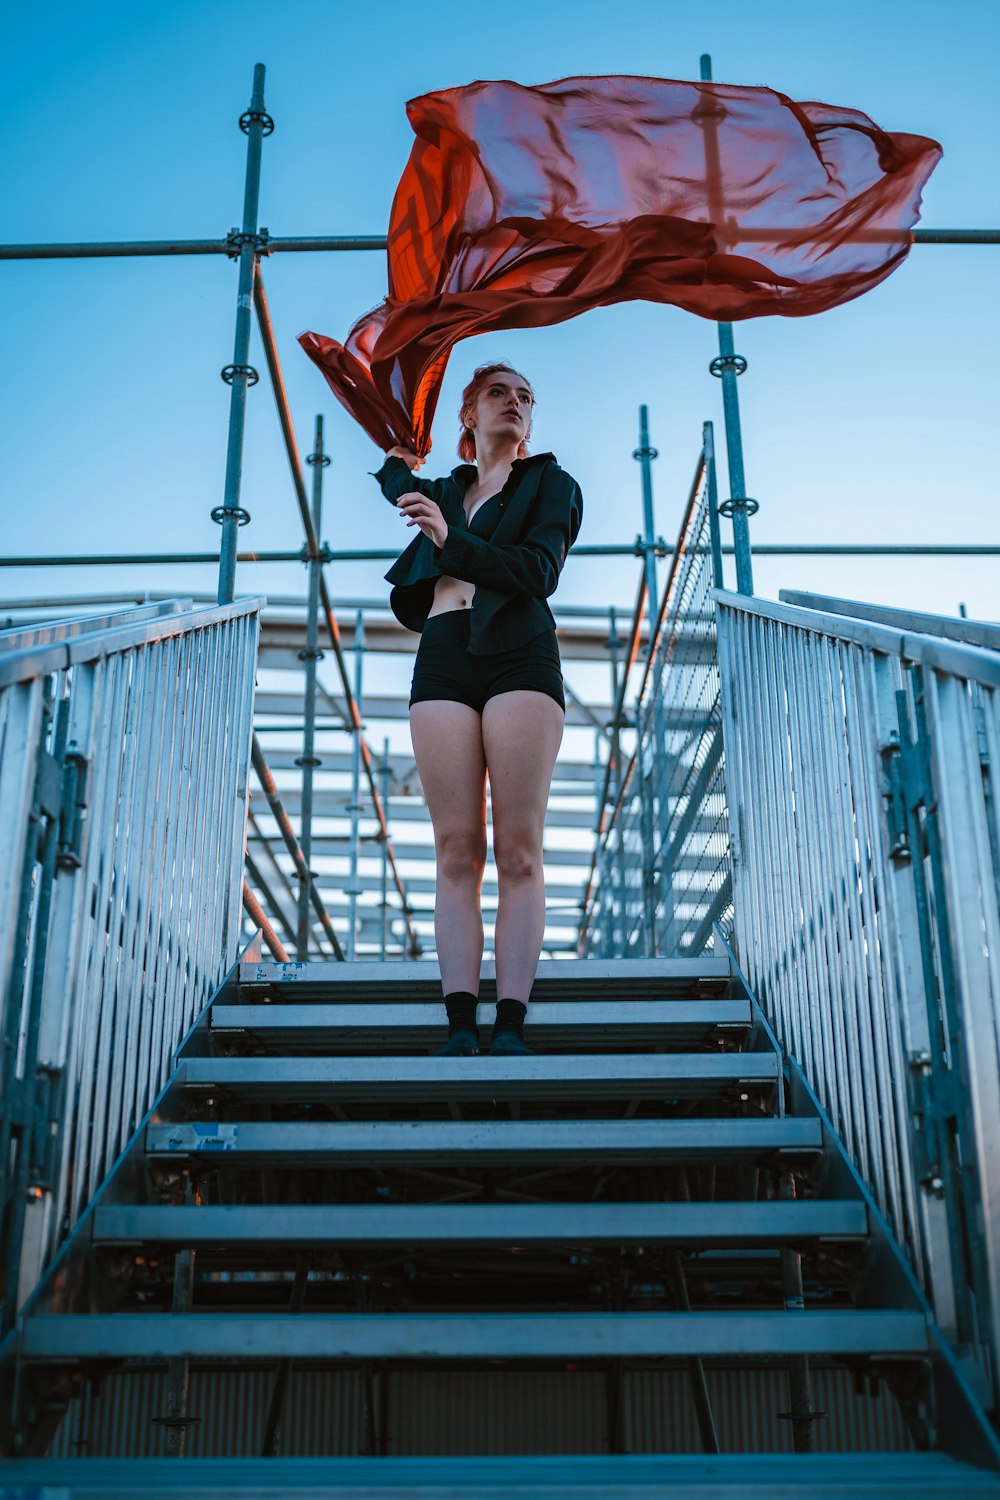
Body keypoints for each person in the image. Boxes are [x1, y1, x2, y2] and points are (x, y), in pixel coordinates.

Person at [372, 362, 583, 1056]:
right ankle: (460, 1025)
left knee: (518, 850)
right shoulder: (447, 489)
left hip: (519, 652)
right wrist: (397, 458)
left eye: (527, 396)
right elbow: (400, 481)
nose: (516, 403)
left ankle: (511, 1026)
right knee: (455, 849)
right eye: (500, 392)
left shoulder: (551, 484)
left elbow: (535, 572)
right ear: (467, 413)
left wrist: (449, 541)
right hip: (444, 650)